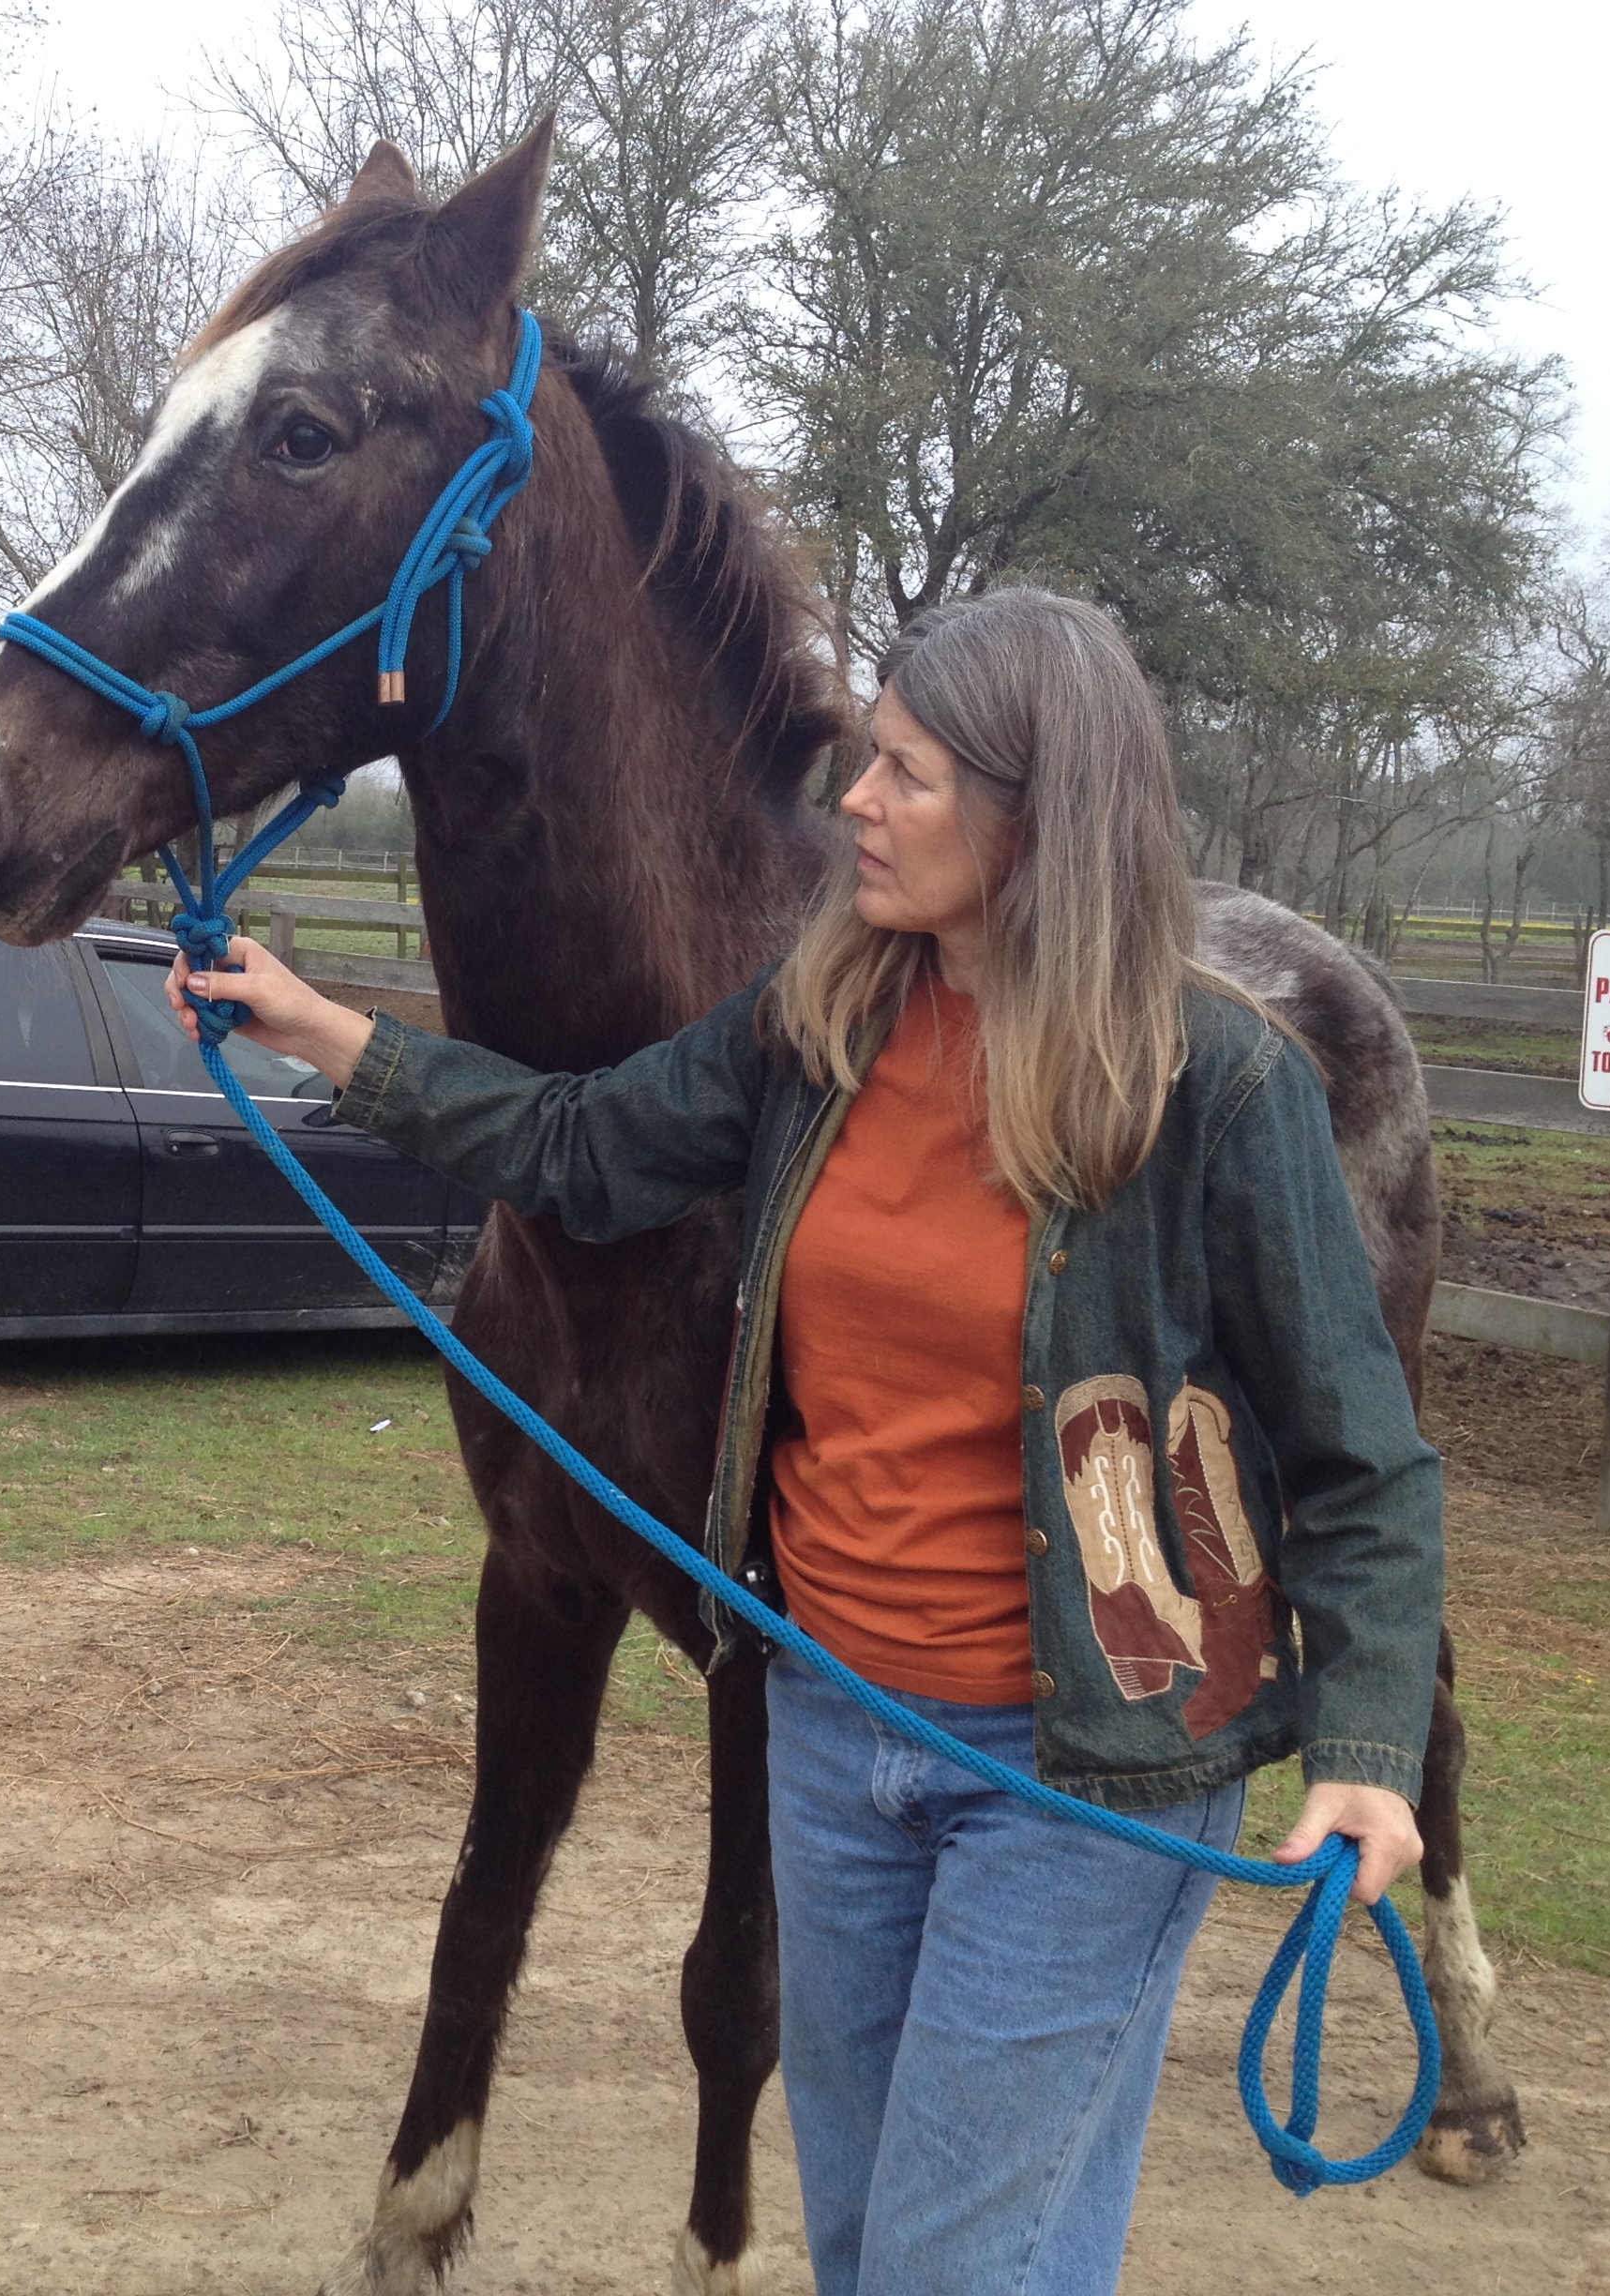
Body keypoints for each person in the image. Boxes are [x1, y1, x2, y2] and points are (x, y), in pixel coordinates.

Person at [165, 587, 1442, 2294]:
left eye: (904, 775)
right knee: (871, 2244)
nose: (854, 801)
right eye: (868, 765)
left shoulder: (1216, 1087)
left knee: (946, 2262)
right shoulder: (821, 1027)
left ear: (1036, 812)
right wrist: (325, 1033)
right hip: (835, 1735)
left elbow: (1365, 1455)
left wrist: (1361, 1737)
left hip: (1077, 1768)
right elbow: (581, 1143)